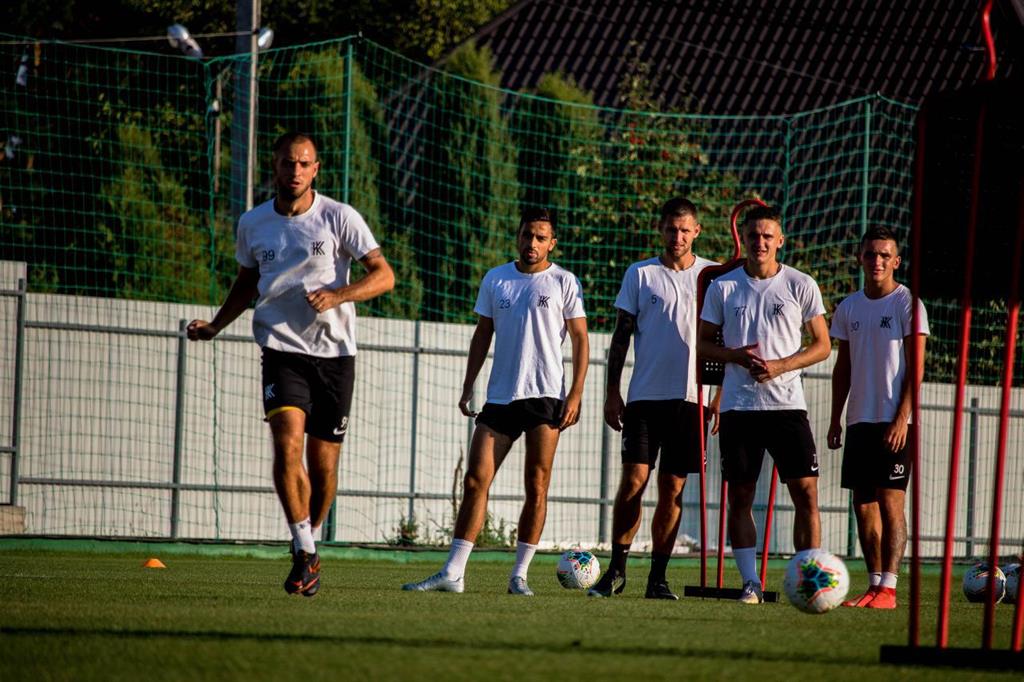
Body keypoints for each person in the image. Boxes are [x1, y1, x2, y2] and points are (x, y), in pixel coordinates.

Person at [187, 132, 395, 597]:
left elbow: (384, 276)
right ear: (275, 165)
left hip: (335, 355)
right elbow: (246, 281)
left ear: (316, 169)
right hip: (281, 350)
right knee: (286, 447)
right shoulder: (253, 223)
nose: (295, 171)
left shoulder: (339, 217)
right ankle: (303, 549)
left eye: (304, 163)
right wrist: (216, 325)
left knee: (323, 468)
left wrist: (338, 295)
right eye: (287, 162)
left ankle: (310, 540)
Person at [402, 207, 589, 596]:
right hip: (501, 397)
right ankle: (453, 573)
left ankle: (519, 575)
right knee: (475, 479)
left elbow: (580, 339)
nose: (532, 243)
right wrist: (468, 384)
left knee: (536, 484)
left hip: (545, 396)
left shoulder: (564, 281)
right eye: (527, 235)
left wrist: (575, 393)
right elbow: (482, 334)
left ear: (552, 243)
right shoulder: (496, 278)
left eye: (540, 237)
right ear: (518, 237)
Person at [697, 205, 831, 605]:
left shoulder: (800, 284)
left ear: (780, 240)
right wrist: (736, 357)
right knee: (740, 497)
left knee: (806, 493)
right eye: (754, 235)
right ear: (745, 238)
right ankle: (750, 582)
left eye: (767, 236)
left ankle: (810, 578)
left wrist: (780, 366)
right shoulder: (723, 287)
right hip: (739, 408)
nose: (760, 242)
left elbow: (823, 345)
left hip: (787, 405)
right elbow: (702, 344)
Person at [587, 198, 720, 600]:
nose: (678, 237)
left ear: (697, 231)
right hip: (644, 397)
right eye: (671, 229)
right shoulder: (640, 273)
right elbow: (621, 336)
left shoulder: (714, 276)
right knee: (633, 481)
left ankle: (657, 579)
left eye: (685, 230)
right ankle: (616, 571)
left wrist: (719, 395)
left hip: (691, 399)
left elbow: (724, 339)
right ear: (660, 230)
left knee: (673, 488)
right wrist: (612, 392)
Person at [827, 226, 928, 610]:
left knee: (890, 501)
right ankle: (873, 586)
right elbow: (843, 367)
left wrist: (903, 417)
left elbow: (916, 367)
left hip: (894, 420)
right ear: (861, 258)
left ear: (896, 261)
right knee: (863, 504)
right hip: (859, 420)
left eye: (885, 255)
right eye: (871, 254)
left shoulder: (907, 304)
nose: (877, 261)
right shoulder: (849, 307)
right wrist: (836, 418)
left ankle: (889, 587)